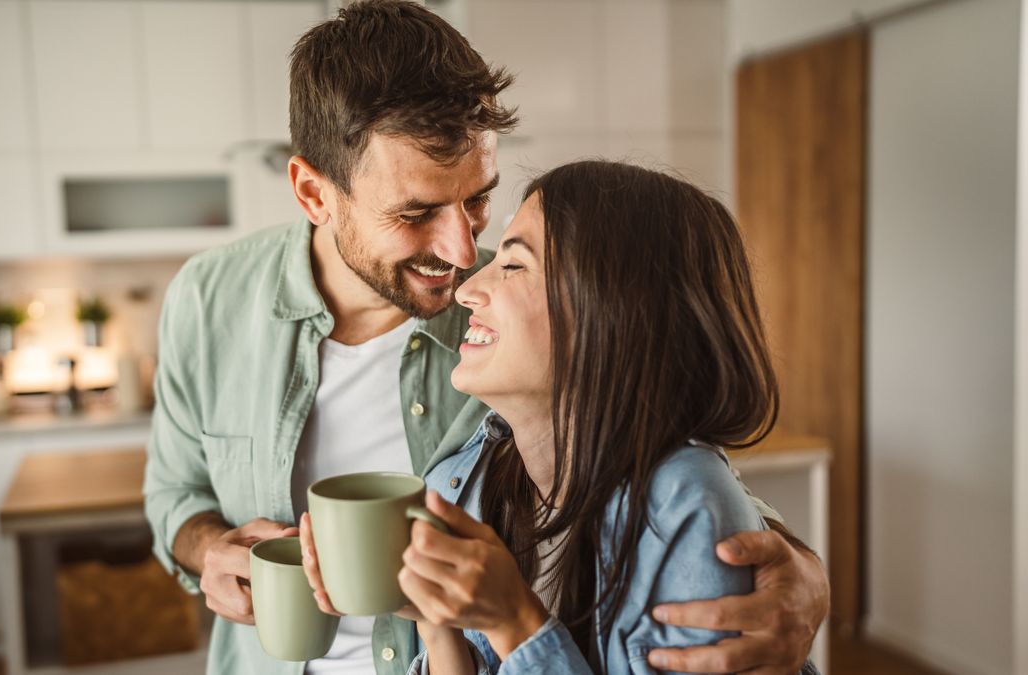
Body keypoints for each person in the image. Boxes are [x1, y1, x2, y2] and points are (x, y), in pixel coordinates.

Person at [143, 2, 829, 674]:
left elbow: (648, 459)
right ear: (314, 193)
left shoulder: (522, 317)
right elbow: (175, 493)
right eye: (417, 213)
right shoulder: (208, 300)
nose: (464, 251)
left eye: (476, 199)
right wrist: (206, 551)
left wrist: (795, 568)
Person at [304, 160, 820, 674]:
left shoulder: (682, 506)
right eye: (414, 211)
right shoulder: (464, 485)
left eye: (513, 265)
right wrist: (436, 622)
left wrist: (514, 622)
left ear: (612, 309)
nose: (465, 290)